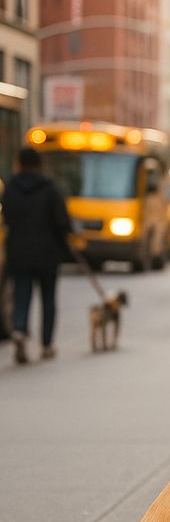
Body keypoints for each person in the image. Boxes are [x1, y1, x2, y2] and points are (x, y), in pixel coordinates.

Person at [1, 147, 73, 364]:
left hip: (19, 252)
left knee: (21, 296)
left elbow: (6, 218)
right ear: (39, 164)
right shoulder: (50, 189)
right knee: (48, 299)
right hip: (47, 253)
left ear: (19, 164)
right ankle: (47, 344)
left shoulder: (11, 188)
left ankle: (20, 330)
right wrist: (66, 246)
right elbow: (62, 222)